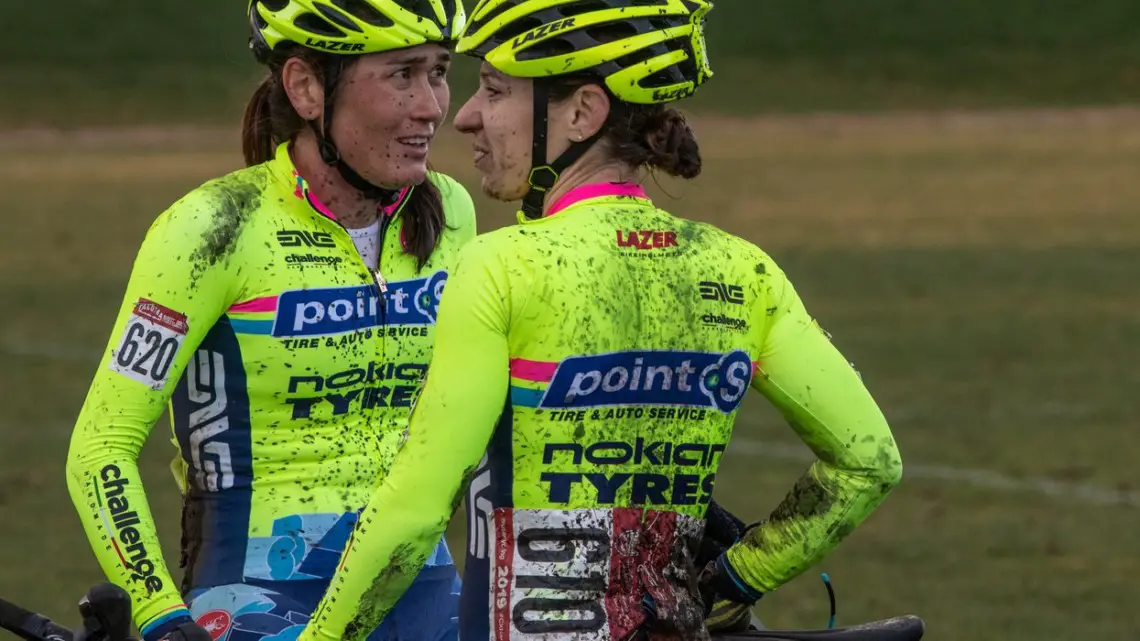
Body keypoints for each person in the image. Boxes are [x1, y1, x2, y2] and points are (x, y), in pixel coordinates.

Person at [294, 1, 904, 640]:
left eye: (497, 90)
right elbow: (868, 462)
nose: (467, 115)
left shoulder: (504, 266)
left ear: (584, 112)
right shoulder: (742, 270)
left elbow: (416, 512)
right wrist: (740, 576)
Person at [64, 1, 474, 640]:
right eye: (402, 75)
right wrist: (158, 614)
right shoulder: (213, 228)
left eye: (439, 72)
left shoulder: (451, 211)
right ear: (308, 88)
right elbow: (100, 450)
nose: (432, 105)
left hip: (423, 587)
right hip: (256, 591)